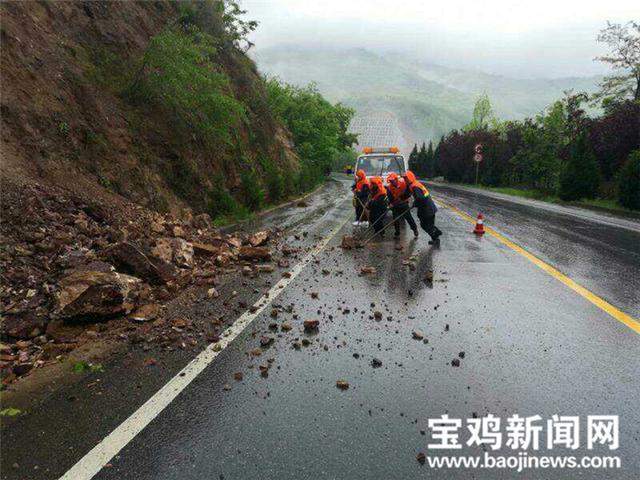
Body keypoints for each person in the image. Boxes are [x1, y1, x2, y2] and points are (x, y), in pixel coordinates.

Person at [403, 170, 442, 245]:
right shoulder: (413, 185)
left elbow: (420, 198)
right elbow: (406, 194)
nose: (405, 180)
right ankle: (436, 238)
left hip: (427, 209)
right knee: (427, 225)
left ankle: (436, 234)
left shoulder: (415, 186)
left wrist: (414, 204)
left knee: (425, 225)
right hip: (428, 208)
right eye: (404, 179)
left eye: (406, 178)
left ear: (410, 178)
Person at [386, 172, 418, 238]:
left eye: (392, 180)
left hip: (404, 204)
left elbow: (409, 192)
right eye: (390, 181)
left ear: (396, 179)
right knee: (395, 220)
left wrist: (403, 198)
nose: (391, 182)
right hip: (395, 205)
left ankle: (415, 229)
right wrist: (390, 204)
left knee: (409, 218)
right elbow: (390, 198)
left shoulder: (403, 184)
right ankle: (397, 233)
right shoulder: (389, 188)